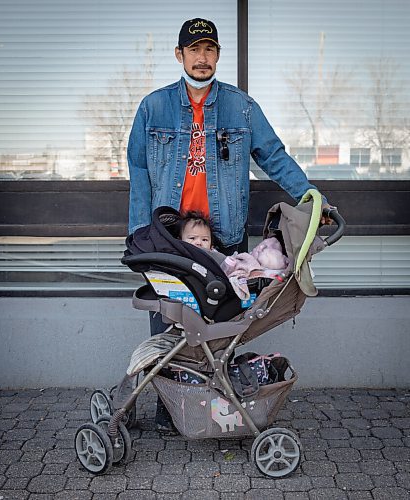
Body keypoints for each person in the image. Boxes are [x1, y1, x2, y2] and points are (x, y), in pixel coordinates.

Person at [127, 18, 332, 433]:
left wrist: (310, 195)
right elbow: (140, 171)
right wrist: (139, 237)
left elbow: (273, 155)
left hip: (224, 234)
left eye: (209, 49)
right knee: (169, 317)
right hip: (171, 238)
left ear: (218, 55)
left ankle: (212, 400)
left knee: (221, 323)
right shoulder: (154, 107)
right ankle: (169, 406)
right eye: (193, 50)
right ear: (179, 55)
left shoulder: (241, 107)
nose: (202, 58)